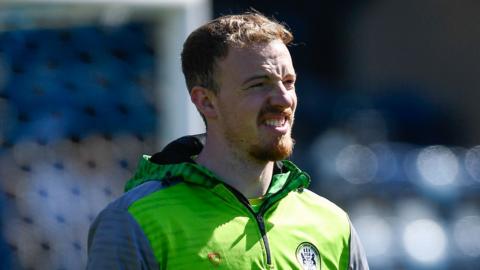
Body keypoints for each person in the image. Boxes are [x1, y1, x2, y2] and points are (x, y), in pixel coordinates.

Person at [87, 12, 369, 270]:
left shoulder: (332, 225)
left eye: (288, 82)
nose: (283, 99)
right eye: (259, 84)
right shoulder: (135, 221)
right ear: (207, 102)